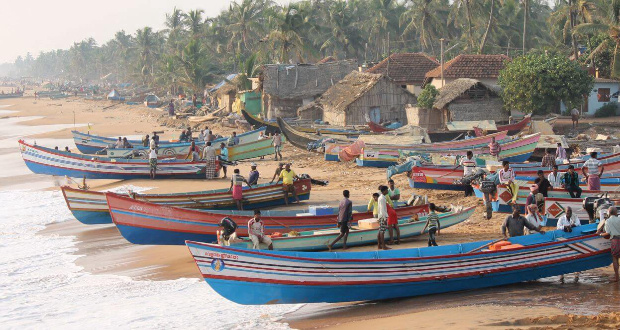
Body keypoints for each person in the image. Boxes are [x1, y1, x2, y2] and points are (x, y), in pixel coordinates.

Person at [601, 207, 620, 282]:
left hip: (615, 240)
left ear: (609, 213)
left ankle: (617, 277)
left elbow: (608, 233)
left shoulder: (608, 221)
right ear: (616, 212)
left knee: (615, 258)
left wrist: (601, 234)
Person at [376, 186, 390, 250]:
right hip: (382, 216)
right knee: (382, 231)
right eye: (387, 190)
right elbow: (382, 209)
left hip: (381, 216)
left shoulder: (381, 198)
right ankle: (383, 245)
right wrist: (384, 218)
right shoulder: (382, 198)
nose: (387, 191)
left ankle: (379, 245)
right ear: (384, 191)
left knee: (380, 231)